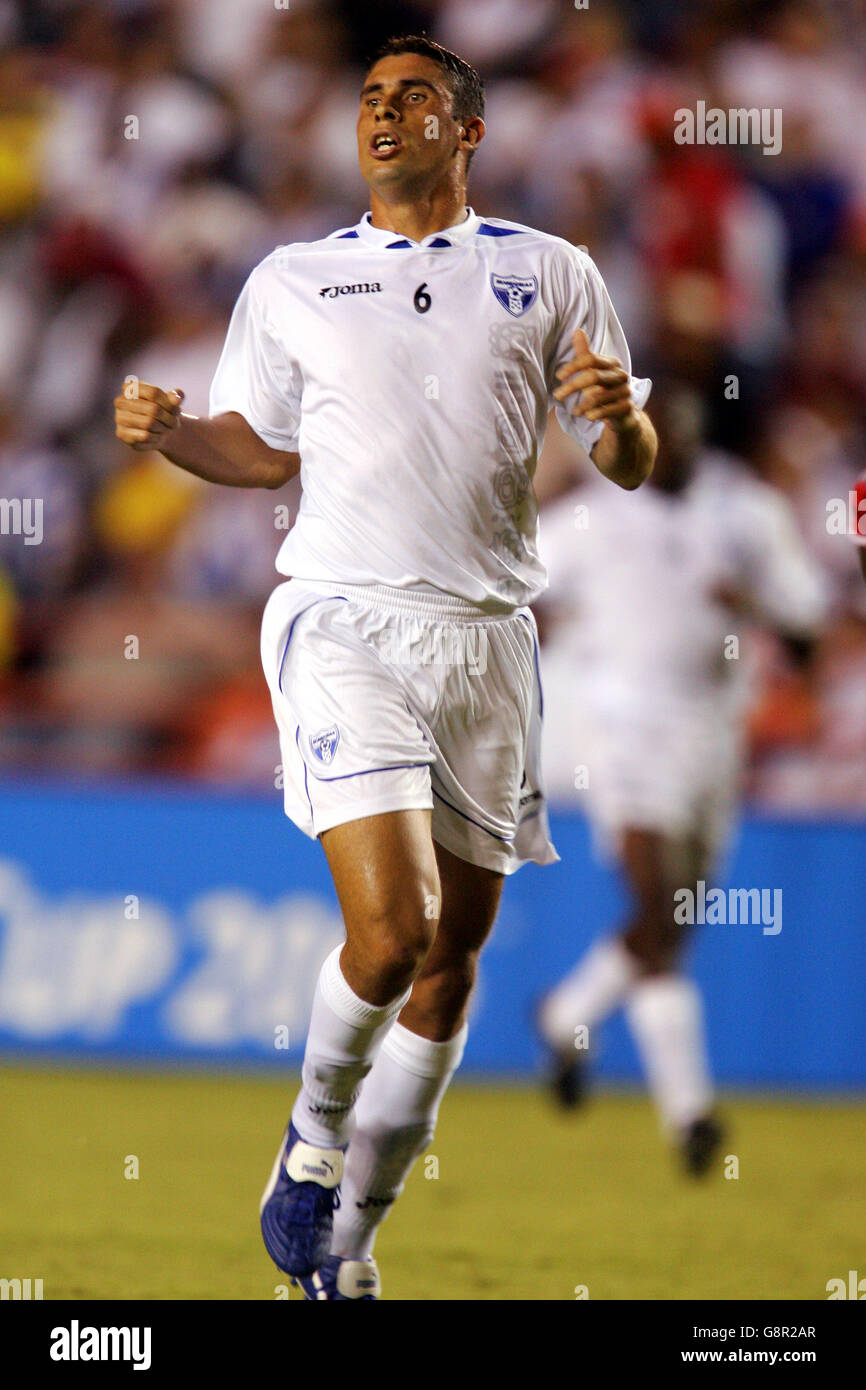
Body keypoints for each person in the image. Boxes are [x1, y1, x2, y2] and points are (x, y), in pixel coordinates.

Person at [114, 34, 655, 1299]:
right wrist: (175, 431)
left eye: (413, 96)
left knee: (452, 957)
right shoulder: (295, 278)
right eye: (368, 97)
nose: (382, 113)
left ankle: (349, 1239)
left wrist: (624, 417)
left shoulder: (548, 271)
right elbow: (262, 450)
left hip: (488, 636)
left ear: (465, 129)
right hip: (342, 614)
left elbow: (623, 460)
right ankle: (307, 1147)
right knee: (394, 926)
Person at [535, 377, 827, 1173]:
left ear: (701, 438)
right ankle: (691, 1116)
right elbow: (514, 586)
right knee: (660, 906)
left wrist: (755, 608)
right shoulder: (590, 518)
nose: (662, 451)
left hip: (712, 743)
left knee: (673, 922)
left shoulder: (748, 515)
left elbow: (808, 636)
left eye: (679, 435)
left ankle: (567, 1017)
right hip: (621, 731)